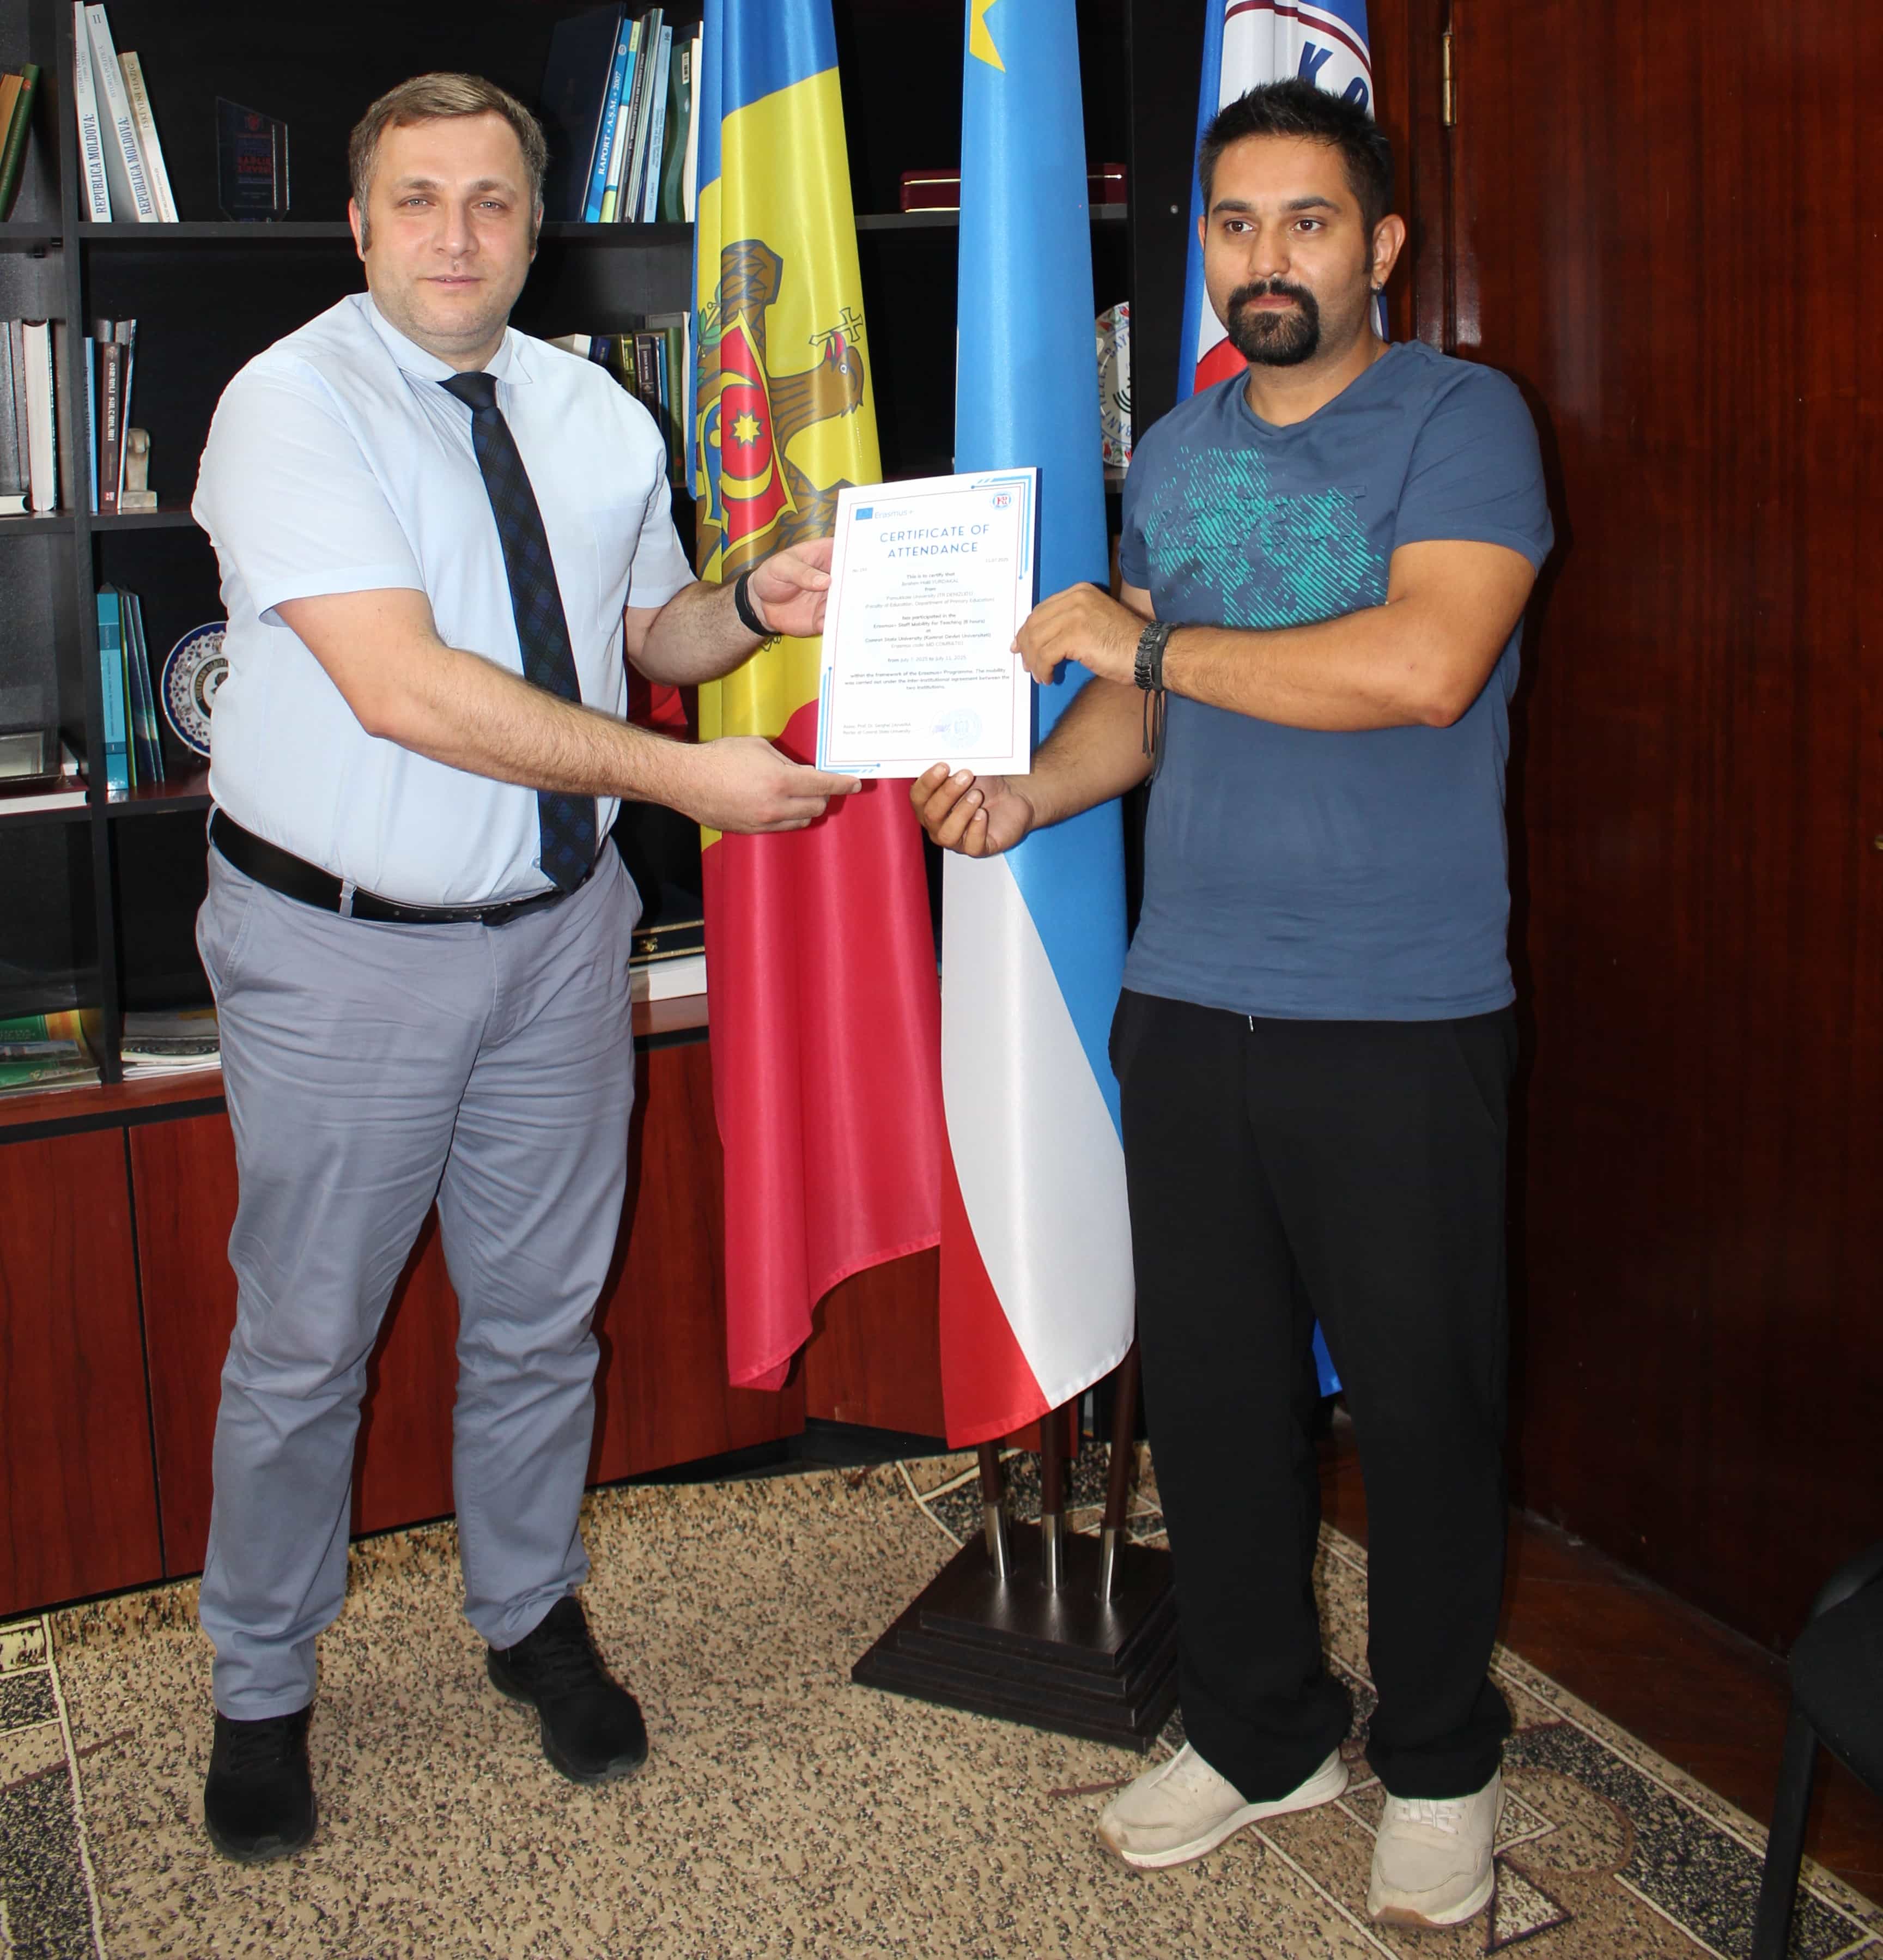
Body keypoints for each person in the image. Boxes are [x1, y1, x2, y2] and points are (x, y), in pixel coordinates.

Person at [189, 72, 858, 1863]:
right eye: (418, 200)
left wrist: (754, 601)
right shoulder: (288, 404)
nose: (457, 235)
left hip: (559, 943)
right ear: (359, 224)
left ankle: (529, 1610)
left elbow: (645, 634)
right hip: (341, 953)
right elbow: (405, 688)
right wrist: (688, 783)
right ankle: (261, 1681)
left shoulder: (596, 413)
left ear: (535, 226)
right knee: (305, 1346)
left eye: (491, 201)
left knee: (544, 1318)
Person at [913, 78, 1552, 1931]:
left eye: (1309, 222)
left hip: (1402, 1012)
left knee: (1423, 1413)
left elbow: (1427, 665)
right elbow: (1150, 706)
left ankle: (1441, 1763)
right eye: (1236, 224)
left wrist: (1153, 641)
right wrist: (1029, 795)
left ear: (1383, 247)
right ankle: (1262, 1730)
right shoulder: (1181, 448)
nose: (1268, 258)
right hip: (1187, 997)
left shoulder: (1463, 419)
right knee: (1211, 1403)